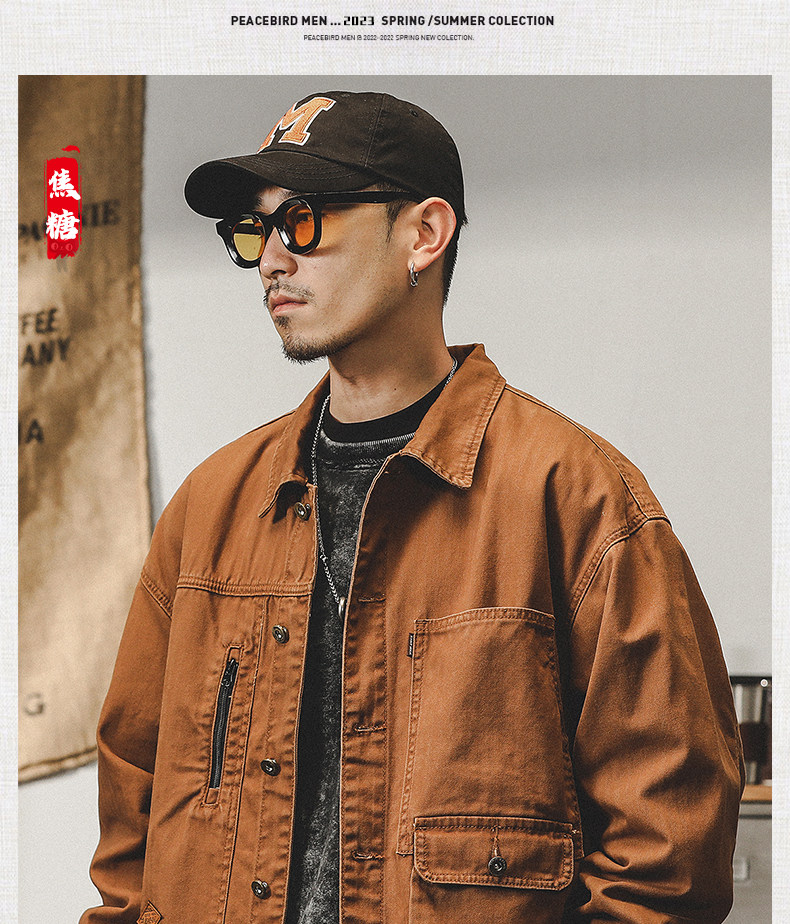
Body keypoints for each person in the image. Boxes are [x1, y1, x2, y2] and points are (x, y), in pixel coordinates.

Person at [82, 90, 744, 924]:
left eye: (303, 221)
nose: (272, 261)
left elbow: (667, 861)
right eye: (255, 230)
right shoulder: (209, 508)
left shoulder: (577, 499)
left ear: (424, 233)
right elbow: (132, 815)